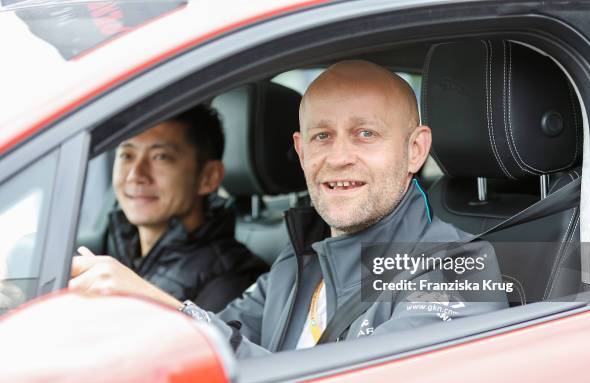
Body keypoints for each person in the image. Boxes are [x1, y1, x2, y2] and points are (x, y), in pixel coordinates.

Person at [70, 61, 508, 357]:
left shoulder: (458, 271)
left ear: (415, 150)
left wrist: (165, 308)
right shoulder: (298, 261)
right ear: (300, 151)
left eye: (366, 134)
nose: (338, 157)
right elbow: (212, 344)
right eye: (321, 136)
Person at [90, 105, 268, 312]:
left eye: (160, 157)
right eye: (127, 156)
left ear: (208, 177)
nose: (136, 175)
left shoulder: (231, 282)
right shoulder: (125, 252)